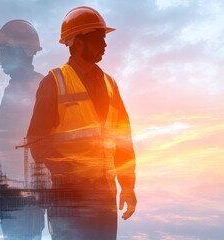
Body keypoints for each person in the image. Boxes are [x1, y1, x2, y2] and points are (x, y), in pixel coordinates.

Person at [27, 6, 137, 239]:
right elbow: (36, 139)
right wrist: (65, 174)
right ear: (77, 42)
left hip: (104, 197)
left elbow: (122, 139)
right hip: (69, 200)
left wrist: (127, 186)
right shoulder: (54, 82)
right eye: (98, 38)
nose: (105, 45)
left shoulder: (110, 85)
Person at [0, 19, 45, 239]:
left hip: (25, 197)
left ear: (25, 52)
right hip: (12, 196)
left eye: (5, 51)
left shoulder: (39, 89)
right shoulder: (14, 89)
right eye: (0, 52)